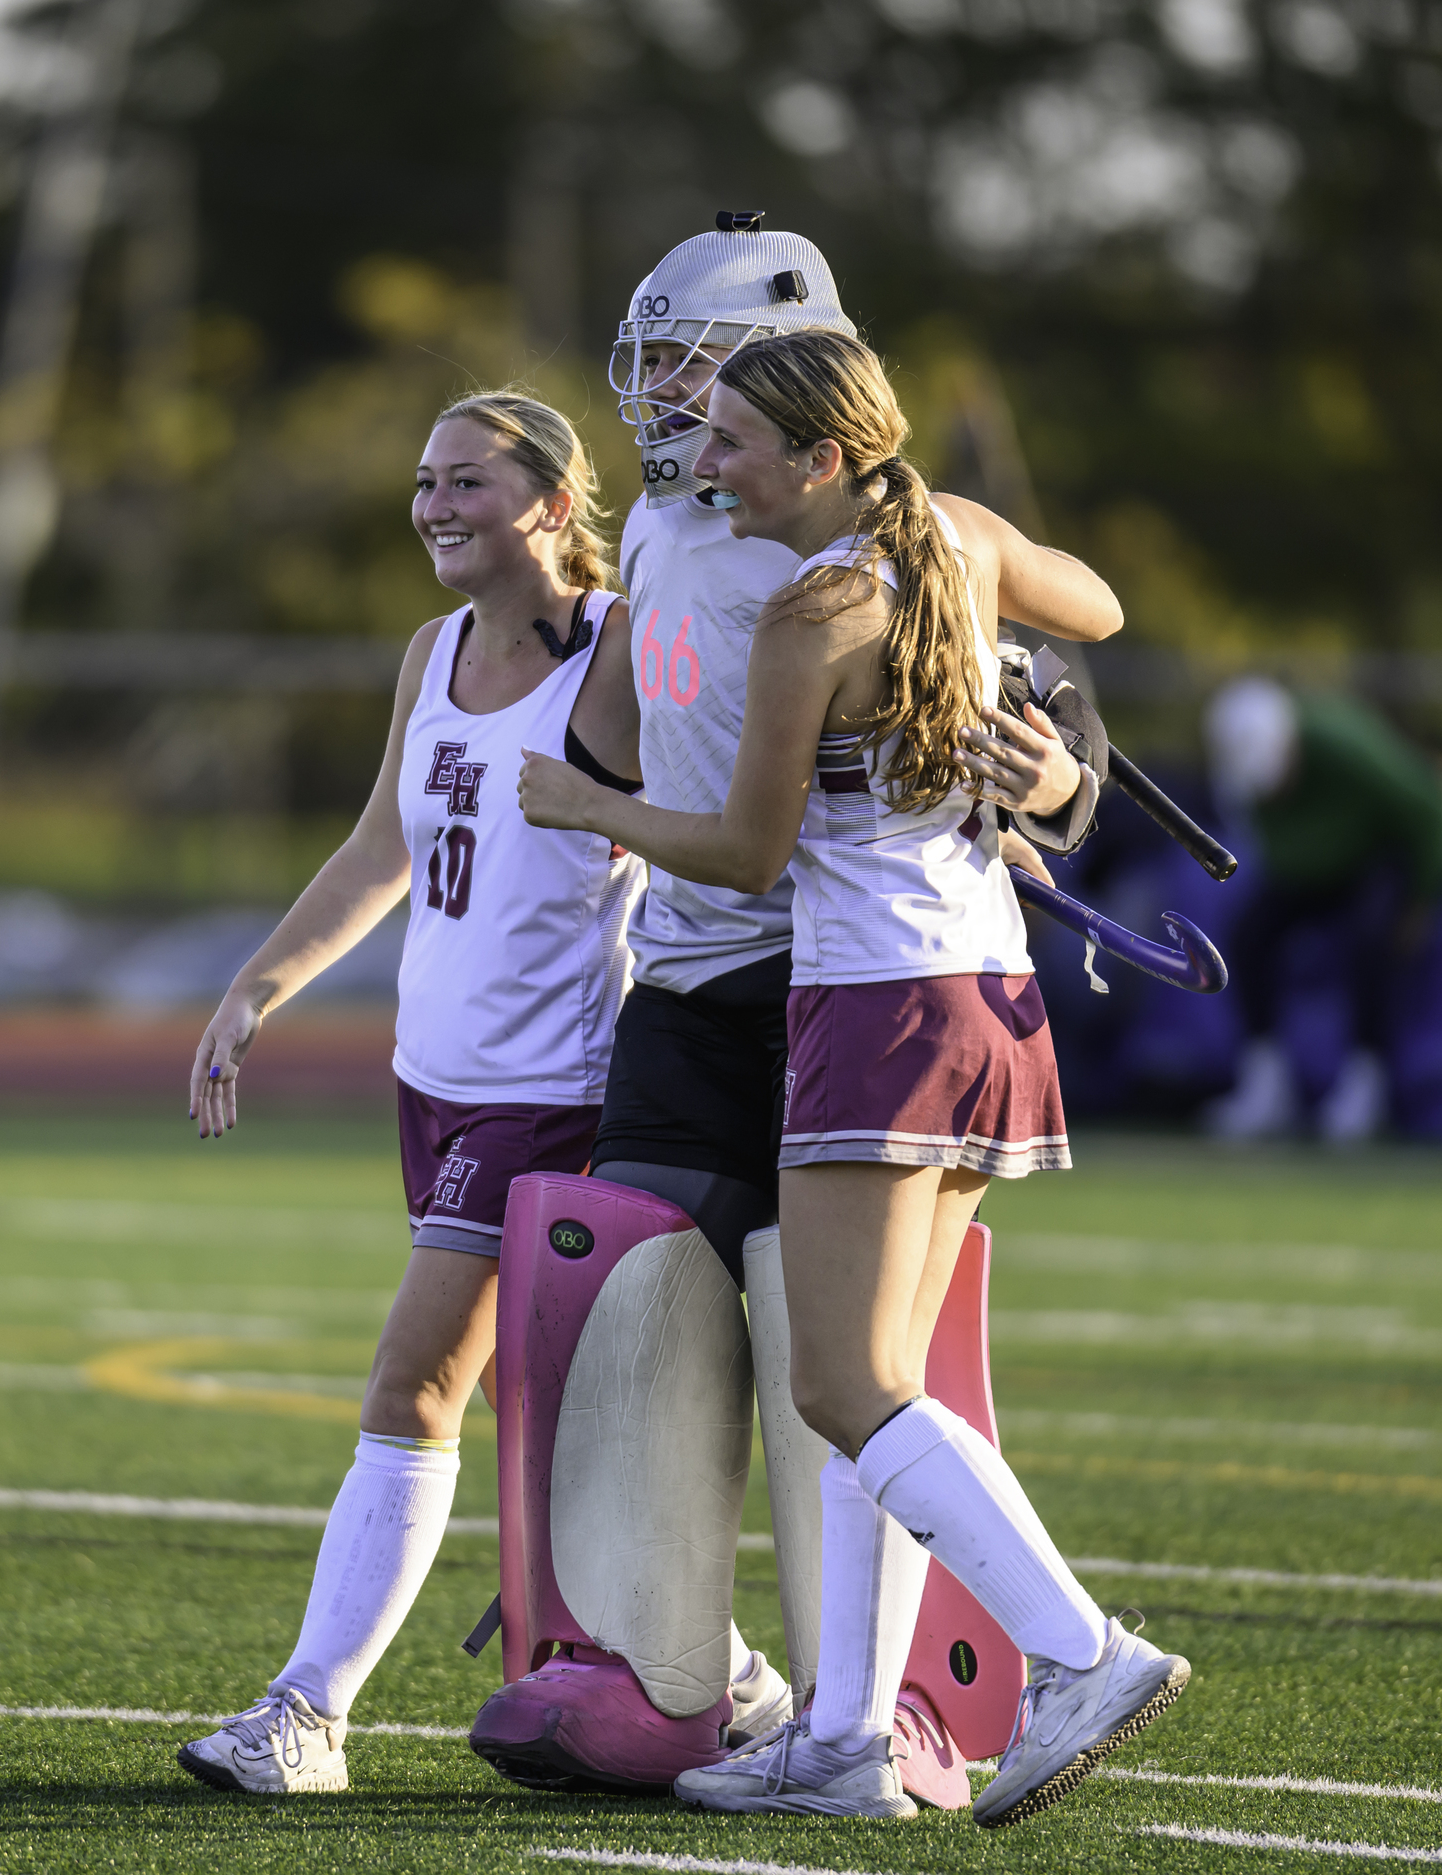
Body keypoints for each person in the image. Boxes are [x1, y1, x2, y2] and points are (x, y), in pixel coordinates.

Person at [472, 217, 1114, 1803]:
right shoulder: (696, 533)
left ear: (809, 415)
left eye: (707, 376)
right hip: (702, 975)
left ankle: (902, 1697)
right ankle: (651, 1659)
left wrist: (1066, 777)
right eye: (673, 374)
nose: (682, 408)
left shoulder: (873, 548)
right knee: (637, 1300)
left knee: (849, 1354)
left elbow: (1060, 709)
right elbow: (624, 733)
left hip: (846, 976)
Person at [174, 390, 647, 1794]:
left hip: (549, 1089)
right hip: (433, 1080)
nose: (435, 505)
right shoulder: (431, 649)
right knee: (521, 1405)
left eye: (468, 483)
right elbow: (385, 838)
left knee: (414, 1378)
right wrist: (260, 981)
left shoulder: (619, 648)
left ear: (554, 500)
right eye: (426, 482)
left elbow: (715, 825)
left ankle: (309, 1711)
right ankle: (718, 1674)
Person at [1203, 675, 1442, 1142]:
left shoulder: (1344, 743)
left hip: (1375, 862)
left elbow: (1429, 813)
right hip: (1305, 874)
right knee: (1248, 936)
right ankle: (1266, 1082)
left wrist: (1419, 903)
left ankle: (1365, 1085)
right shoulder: (1242, 777)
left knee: (1372, 941)